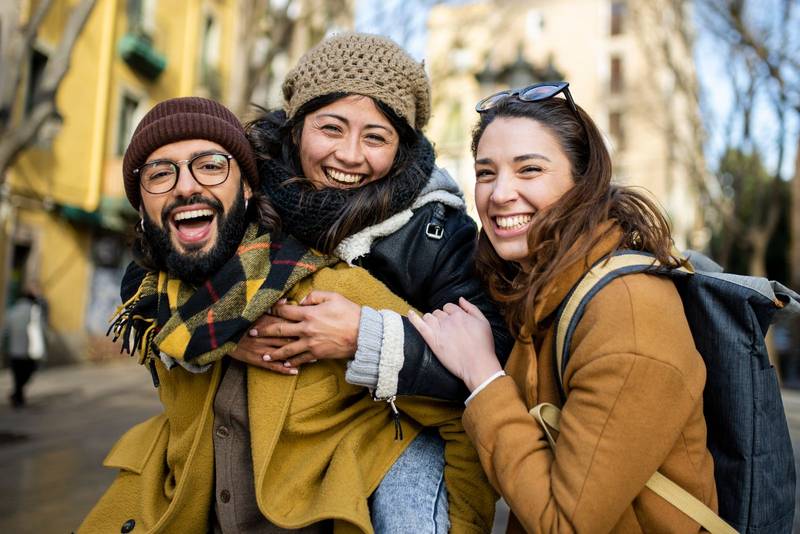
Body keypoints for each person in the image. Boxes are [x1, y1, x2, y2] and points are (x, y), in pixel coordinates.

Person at [79, 97, 495, 533]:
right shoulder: (159, 307)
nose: (185, 186)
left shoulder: (330, 291)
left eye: (210, 165)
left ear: (245, 188)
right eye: (160, 174)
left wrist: (460, 526)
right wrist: (224, 337)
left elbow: (464, 412)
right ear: (142, 206)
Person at [408, 82, 718, 532]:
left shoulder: (627, 316)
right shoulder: (540, 289)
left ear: (583, 181)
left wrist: (482, 376)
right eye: (486, 172)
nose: (499, 195)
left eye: (529, 169)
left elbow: (565, 524)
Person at [238, 33, 512, 530]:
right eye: (331, 128)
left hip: (388, 447)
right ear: (297, 127)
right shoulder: (244, 190)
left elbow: (490, 352)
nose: (350, 155)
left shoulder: (437, 230)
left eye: (375, 137)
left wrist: (363, 335)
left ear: (402, 146)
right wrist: (226, 332)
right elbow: (155, 271)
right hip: (261, 449)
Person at [2, 289, 47, 407]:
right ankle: (18, 397)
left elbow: (5, 331)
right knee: (28, 373)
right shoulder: (34, 311)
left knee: (17, 376)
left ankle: (17, 397)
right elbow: (41, 329)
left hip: (14, 350)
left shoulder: (12, 311)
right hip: (29, 351)